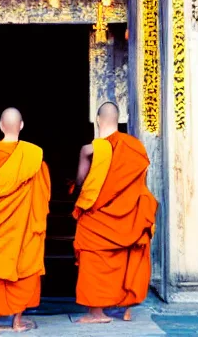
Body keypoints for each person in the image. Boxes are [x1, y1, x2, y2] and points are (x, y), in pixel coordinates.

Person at [74, 102, 158, 324]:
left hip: (98, 218)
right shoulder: (136, 147)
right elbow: (140, 184)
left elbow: (81, 183)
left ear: (98, 120)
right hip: (128, 213)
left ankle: (97, 313)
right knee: (126, 255)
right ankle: (126, 308)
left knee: (94, 258)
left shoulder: (90, 149)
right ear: (118, 120)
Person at [0, 108, 51, 334]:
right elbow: (42, 194)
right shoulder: (33, 157)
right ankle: (17, 321)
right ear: (22, 125)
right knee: (22, 266)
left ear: (0, 125)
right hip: (23, 224)